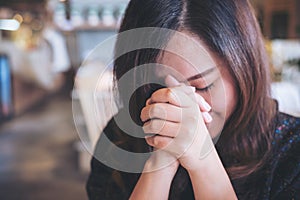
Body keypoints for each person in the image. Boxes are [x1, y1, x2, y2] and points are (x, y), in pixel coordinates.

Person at [86, 0, 300, 199]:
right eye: (159, 87)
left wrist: (203, 161)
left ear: (244, 66)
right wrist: (159, 164)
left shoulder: (292, 152)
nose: (181, 104)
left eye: (202, 86)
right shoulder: (118, 138)